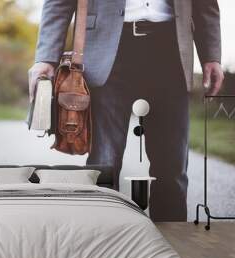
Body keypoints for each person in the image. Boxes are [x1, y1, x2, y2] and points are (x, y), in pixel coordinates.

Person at [28, 0, 224, 221]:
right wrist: (46, 57)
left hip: (172, 49)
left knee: (172, 170)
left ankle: (172, 245)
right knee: (104, 164)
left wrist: (211, 55)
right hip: (107, 49)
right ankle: (103, 243)